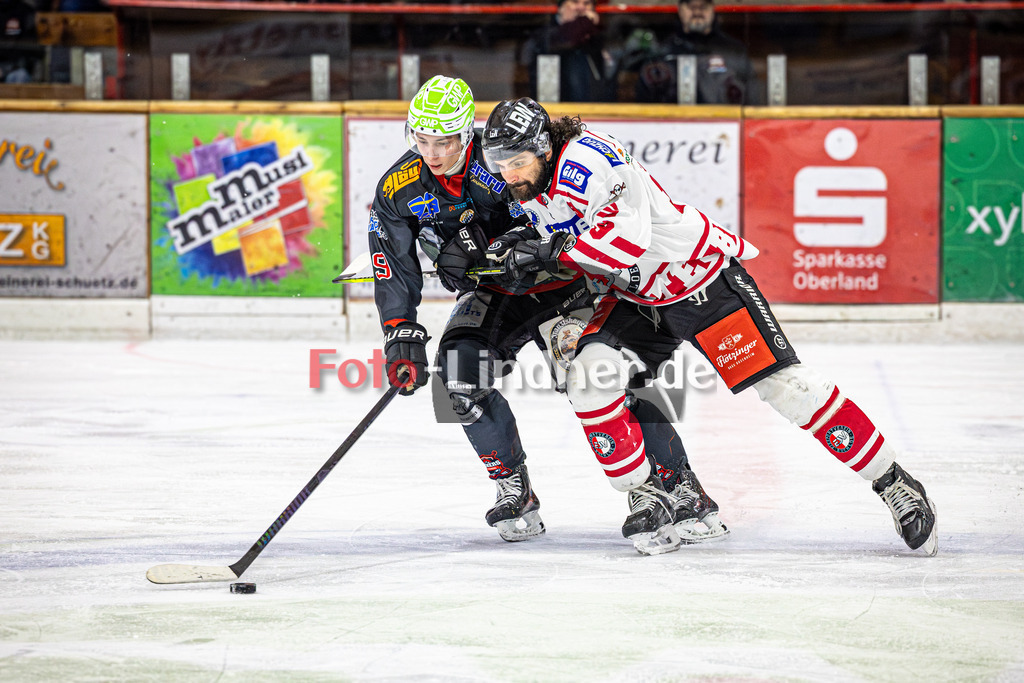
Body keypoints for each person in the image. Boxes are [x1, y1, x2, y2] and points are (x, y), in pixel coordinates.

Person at [479, 97, 938, 556]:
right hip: (639, 298)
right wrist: (516, 246)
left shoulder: (585, 163)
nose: (509, 174)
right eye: (499, 164)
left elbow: (623, 243)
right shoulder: (531, 178)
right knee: (588, 379)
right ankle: (649, 495)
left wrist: (545, 253)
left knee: (786, 388)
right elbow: (560, 234)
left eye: (517, 162)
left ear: (543, 148)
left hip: (698, 281)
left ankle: (893, 482)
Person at [369, 75, 726, 554]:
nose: (433, 153)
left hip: (562, 285)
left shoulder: (503, 159)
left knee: (603, 380)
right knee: (456, 376)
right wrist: (400, 332)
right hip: (497, 293)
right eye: (423, 139)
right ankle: (514, 489)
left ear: (467, 133)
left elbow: (557, 219)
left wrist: (480, 239)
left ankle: (675, 487)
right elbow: (391, 261)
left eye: (446, 140)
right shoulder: (397, 186)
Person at [622, 0, 759, 105]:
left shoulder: (733, 50)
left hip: (724, 130)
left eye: (703, 7)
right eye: (691, 6)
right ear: (680, 10)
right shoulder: (663, 51)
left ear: (712, 10)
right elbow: (644, 99)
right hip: (670, 132)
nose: (697, 12)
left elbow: (752, 97)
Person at [520, 0, 616, 103]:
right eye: (575, 2)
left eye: (586, 3)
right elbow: (566, 40)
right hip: (554, 108)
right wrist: (585, 22)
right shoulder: (544, 34)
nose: (581, 8)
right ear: (560, 8)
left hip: (595, 109)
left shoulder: (597, 35)